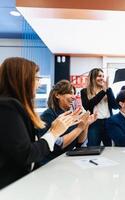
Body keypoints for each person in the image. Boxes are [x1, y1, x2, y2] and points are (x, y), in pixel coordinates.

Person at [0, 57, 79, 189]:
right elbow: (26, 154)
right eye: (36, 79)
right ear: (22, 79)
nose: (39, 84)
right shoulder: (7, 107)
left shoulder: (14, 106)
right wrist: (54, 133)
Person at [37, 80, 95, 163]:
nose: (74, 97)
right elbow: (57, 145)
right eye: (70, 93)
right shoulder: (48, 115)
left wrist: (85, 124)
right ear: (57, 95)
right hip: (51, 164)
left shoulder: (70, 114)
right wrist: (79, 129)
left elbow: (79, 142)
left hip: (66, 161)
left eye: (74, 93)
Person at [81, 68, 118, 146]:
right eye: (99, 76)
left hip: (108, 122)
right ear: (93, 78)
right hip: (94, 123)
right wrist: (103, 92)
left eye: (103, 76)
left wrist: (108, 90)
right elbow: (88, 106)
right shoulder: (84, 91)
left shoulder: (108, 90)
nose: (102, 78)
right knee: (93, 147)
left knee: (108, 148)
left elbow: (115, 106)